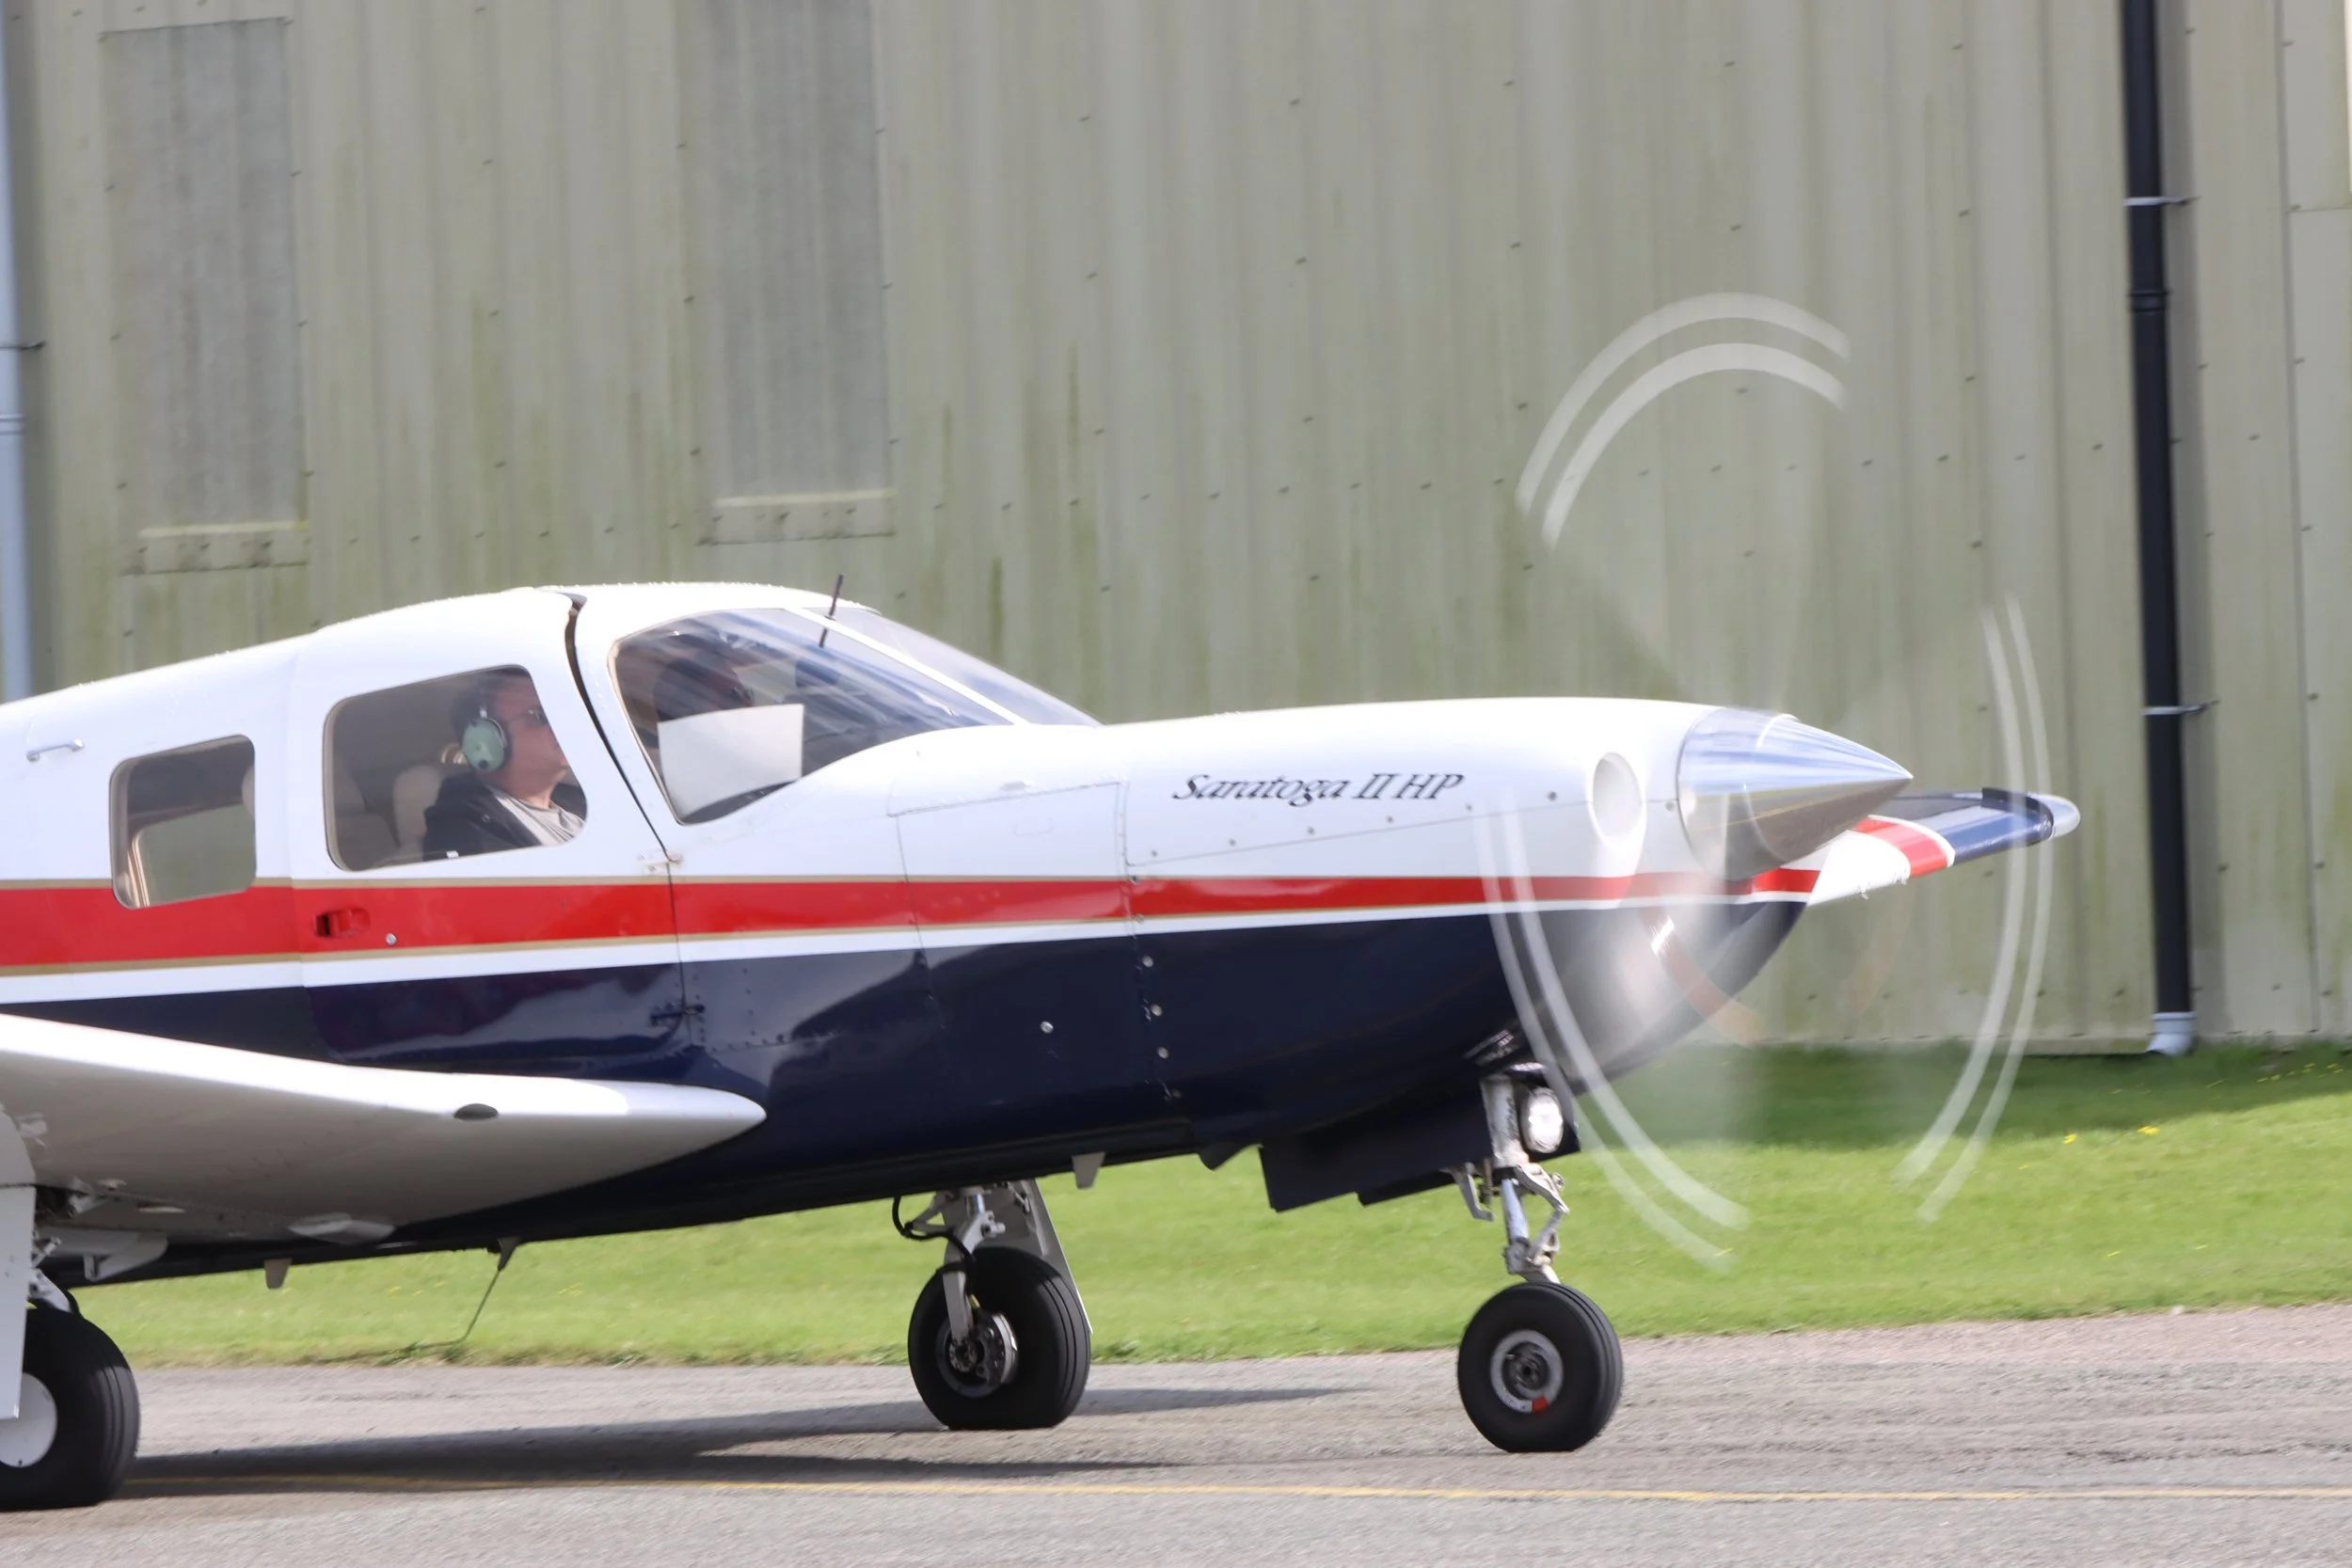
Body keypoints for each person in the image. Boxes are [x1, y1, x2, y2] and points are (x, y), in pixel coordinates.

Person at [421, 673, 588, 859]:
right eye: (539, 716)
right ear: (485, 741)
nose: (560, 724)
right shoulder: (464, 833)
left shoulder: (582, 801)